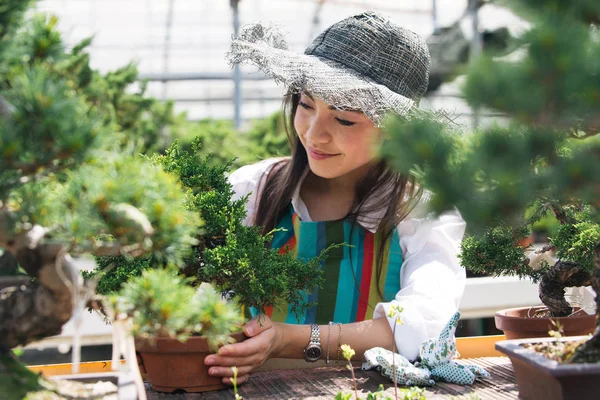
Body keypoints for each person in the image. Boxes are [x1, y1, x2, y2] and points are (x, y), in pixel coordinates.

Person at [204, 11, 466, 385]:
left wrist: (288, 340)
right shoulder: (252, 189)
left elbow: (425, 327)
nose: (314, 134)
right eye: (306, 105)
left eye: (343, 120)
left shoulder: (422, 212)